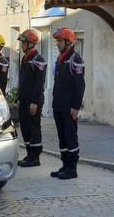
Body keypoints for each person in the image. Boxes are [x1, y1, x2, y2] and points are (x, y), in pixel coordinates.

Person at [50, 28, 85, 179]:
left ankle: (72, 169)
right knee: (62, 137)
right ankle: (64, 166)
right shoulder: (60, 58)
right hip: (58, 105)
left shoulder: (75, 59)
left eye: (60, 41)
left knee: (70, 137)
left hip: (69, 107)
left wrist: (76, 107)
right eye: (57, 41)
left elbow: (80, 86)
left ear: (68, 42)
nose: (57, 44)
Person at [17, 29, 47, 167]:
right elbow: (23, 81)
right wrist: (19, 98)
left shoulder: (38, 60)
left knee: (33, 127)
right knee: (25, 128)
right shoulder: (26, 58)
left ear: (30, 44)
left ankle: (35, 157)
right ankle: (29, 154)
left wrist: (34, 102)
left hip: (33, 101)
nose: (21, 45)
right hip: (24, 100)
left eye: (23, 42)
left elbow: (39, 83)